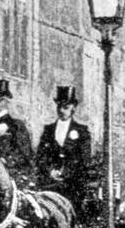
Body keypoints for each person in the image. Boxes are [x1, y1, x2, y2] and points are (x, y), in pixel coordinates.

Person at [35, 85, 94, 218]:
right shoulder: (48, 130)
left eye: (66, 107)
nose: (62, 110)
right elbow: (40, 156)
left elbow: (84, 160)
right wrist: (50, 171)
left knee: (74, 217)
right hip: (50, 184)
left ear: (73, 108)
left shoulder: (82, 131)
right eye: (59, 107)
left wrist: (64, 172)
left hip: (72, 185)